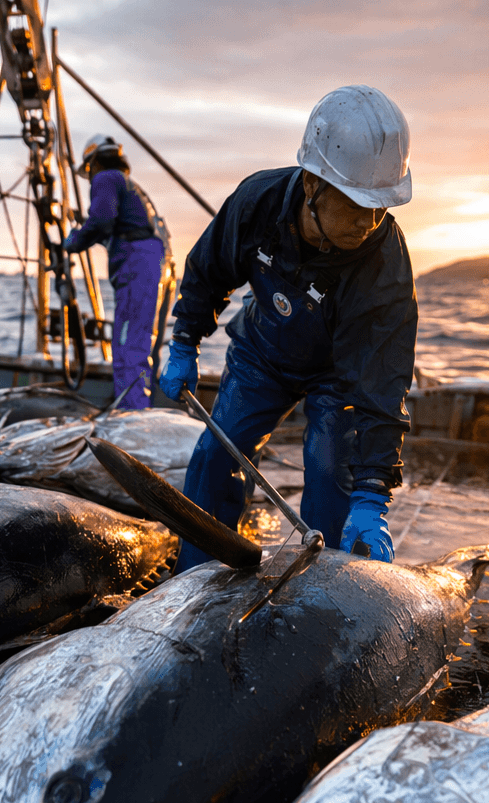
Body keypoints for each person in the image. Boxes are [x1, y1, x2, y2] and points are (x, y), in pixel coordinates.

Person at [160, 85, 415, 571]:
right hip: (263, 354)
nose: (371, 220)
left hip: (339, 377)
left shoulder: (384, 261)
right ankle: (192, 579)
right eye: (358, 204)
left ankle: (322, 597)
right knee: (216, 457)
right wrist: (184, 343)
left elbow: (383, 380)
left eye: (382, 205)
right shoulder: (257, 202)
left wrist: (372, 492)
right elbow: (207, 272)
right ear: (312, 185)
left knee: (328, 478)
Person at [62, 135, 171, 409]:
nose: (89, 179)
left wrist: (73, 241)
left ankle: (131, 419)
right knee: (143, 343)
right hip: (156, 264)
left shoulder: (106, 178)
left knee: (126, 344)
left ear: (94, 162)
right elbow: (114, 225)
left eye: (88, 172)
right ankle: (141, 408)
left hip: (138, 267)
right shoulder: (129, 186)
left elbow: (101, 220)